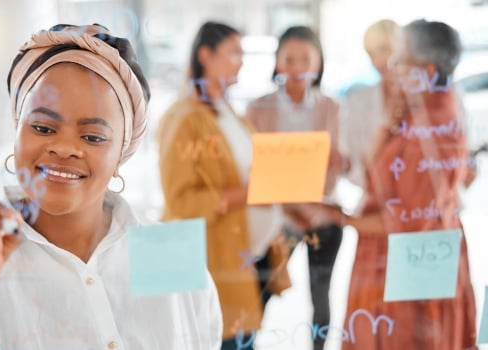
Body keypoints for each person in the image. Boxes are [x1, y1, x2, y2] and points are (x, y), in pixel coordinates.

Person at [0, 24, 222, 349]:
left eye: (93, 136)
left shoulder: (170, 253)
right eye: (43, 128)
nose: (64, 148)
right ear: (17, 130)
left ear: (121, 153)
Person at [321, 19, 477, 349]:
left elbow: (407, 223)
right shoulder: (417, 113)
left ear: (428, 70)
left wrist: (337, 217)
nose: (391, 66)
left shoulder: (432, 129)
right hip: (396, 259)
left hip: (407, 265)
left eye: (400, 58)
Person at [157, 21, 291, 350]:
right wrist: (244, 195)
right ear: (206, 55)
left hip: (253, 256)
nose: (241, 62)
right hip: (215, 264)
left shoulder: (228, 112)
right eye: (233, 53)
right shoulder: (183, 118)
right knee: (228, 342)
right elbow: (181, 203)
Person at [245, 26, 344, 350]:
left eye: (306, 58)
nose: (298, 66)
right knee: (261, 291)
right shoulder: (258, 109)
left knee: (320, 293)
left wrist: (311, 205)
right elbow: (254, 167)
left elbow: (335, 165)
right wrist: (290, 207)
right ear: (277, 62)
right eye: (289, 58)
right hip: (277, 219)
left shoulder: (331, 107)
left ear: (319, 63)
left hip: (322, 217)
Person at [341, 19, 400, 196]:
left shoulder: (430, 98)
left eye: (384, 48)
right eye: (371, 54)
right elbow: (358, 168)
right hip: (377, 202)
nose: (379, 61)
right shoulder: (358, 101)